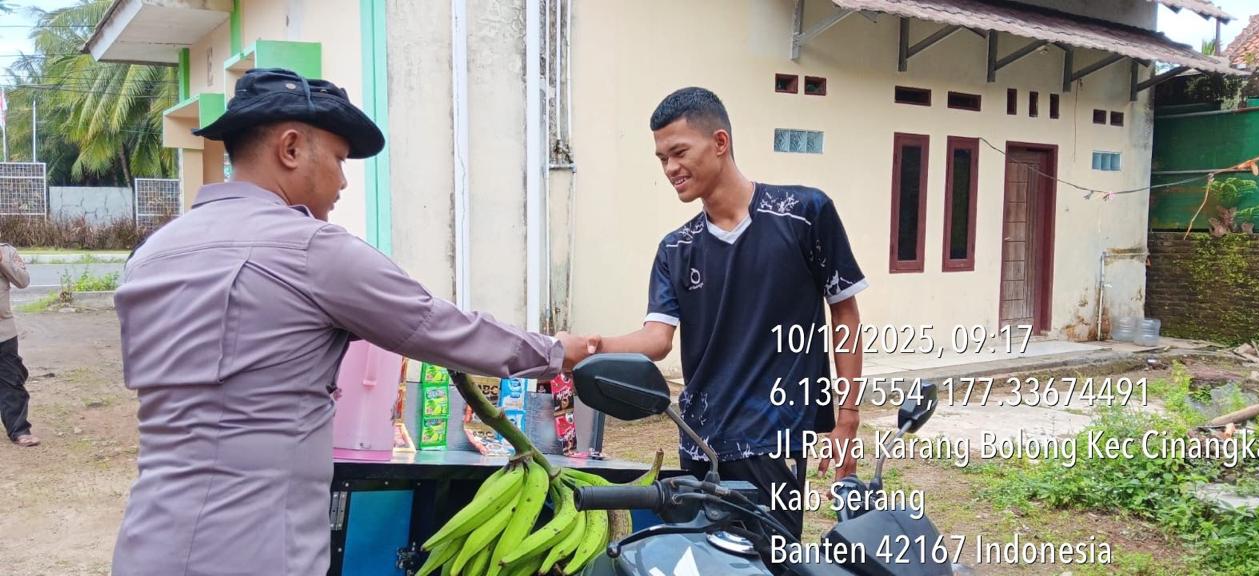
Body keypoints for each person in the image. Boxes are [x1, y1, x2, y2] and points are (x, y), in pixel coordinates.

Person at [110, 68, 595, 576]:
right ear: (290, 148)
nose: (343, 182)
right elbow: (439, 326)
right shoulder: (310, 250)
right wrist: (555, 351)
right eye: (340, 160)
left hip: (148, 542)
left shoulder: (153, 254)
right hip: (254, 550)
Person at [595, 87, 867, 537]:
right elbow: (657, 339)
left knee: (770, 563)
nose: (670, 168)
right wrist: (592, 347)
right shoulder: (676, 248)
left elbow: (845, 314)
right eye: (662, 158)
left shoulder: (803, 215)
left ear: (719, 142)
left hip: (772, 441)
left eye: (679, 152)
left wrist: (848, 417)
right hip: (698, 446)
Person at [0, 242, 35, 447]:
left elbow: (23, 281)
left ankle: (19, 429)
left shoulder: (7, 251)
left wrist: (3, 262)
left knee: (12, 380)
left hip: (3, 332)